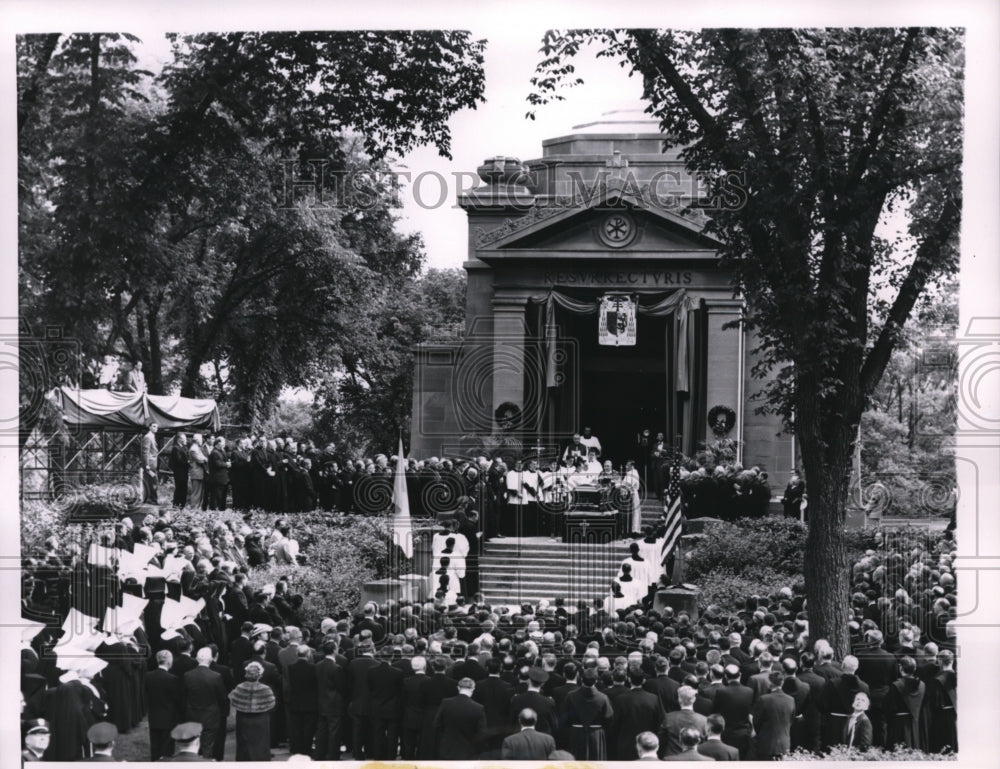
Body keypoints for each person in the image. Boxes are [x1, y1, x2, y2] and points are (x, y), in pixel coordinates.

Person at [182, 648, 229, 760]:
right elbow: (222, 698)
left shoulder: (187, 675)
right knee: (207, 747)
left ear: (197, 659)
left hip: (192, 716)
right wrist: (224, 713)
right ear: (210, 660)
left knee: (193, 747)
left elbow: (183, 697)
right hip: (210, 717)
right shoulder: (215, 676)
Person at [609, 670, 665, 760]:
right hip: (647, 744)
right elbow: (660, 721)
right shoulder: (654, 699)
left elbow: (614, 724)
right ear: (643, 681)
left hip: (625, 744)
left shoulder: (620, 699)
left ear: (629, 679)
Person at [228, 661, 276, 761]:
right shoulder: (266, 689)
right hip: (261, 719)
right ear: (260, 675)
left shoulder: (239, 687)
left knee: (244, 744)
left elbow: (233, 702)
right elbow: (272, 704)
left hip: (243, 719)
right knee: (260, 744)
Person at [563, 668, 614, 760]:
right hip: (596, 735)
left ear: (581, 679)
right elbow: (609, 719)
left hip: (576, 734)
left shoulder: (571, 696)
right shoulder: (603, 698)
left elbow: (565, 717)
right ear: (596, 681)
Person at [433, 677, 486, 759]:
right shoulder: (478, 708)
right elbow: (481, 732)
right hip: (468, 751)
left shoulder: (446, 703)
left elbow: (436, 724)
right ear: (473, 689)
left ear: (458, 688)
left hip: (447, 749)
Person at [146, 650, 183, 761]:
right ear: (168, 662)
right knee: (166, 751)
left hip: (153, 717)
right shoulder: (172, 679)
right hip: (168, 718)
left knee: (155, 748)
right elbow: (177, 700)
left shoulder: (148, 676)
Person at [751, 670, 795, 760]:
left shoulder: (763, 699)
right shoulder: (791, 700)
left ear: (770, 683)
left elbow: (756, 723)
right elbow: (791, 720)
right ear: (782, 682)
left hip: (766, 744)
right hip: (784, 744)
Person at [660, 685, 707, 756]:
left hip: (673, 758)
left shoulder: (669, 717)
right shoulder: (704, 720)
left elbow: (661, 740)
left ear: (679, 699)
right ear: (694, 699)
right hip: (695, 759)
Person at [207, 437, 231, 511]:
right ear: (218, 443)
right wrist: (226, 464)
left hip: (222, 478)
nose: (224, 444)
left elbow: (223, 460)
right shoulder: (214, 452)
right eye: (222, 442)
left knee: (222, 495)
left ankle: (221, 509)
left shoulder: (221, 451)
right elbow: (217, 464)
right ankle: (214, 510)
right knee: (216, 496)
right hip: (217, 478)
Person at [187, 435, 208, 510]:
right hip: (196, 473)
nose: (202, 441)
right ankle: (193, 508)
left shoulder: (197, 448)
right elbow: (200, 460)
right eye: (201, 439)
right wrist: (205, 459)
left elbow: (203, 458)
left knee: (199, 492)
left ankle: (196, 508)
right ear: (197, 440)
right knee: (196, 492)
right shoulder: (193, 449)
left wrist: (204, 458)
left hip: (199, 473)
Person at [142, 423, 160, 504]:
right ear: (149, 427)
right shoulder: (148, 437)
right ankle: (152, 499)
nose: (156, 428)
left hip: (152, 464)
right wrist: (146, 464)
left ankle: (151, 499)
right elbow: (145, 451)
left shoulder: (152, 436)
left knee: (152, 482)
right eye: (154, 426)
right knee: (152, 482)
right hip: (150, 464)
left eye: (157, 427)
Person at [170, 433, 189, 508]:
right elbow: (178, 461)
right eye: (184, 438)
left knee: (184, 489)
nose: (186, 440)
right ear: (179, 439)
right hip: (179, 472)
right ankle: (176, 505)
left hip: (184, 471)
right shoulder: (176, 448)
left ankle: (182, 505)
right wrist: (188, 462)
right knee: (179, 488)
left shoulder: (184, 447)